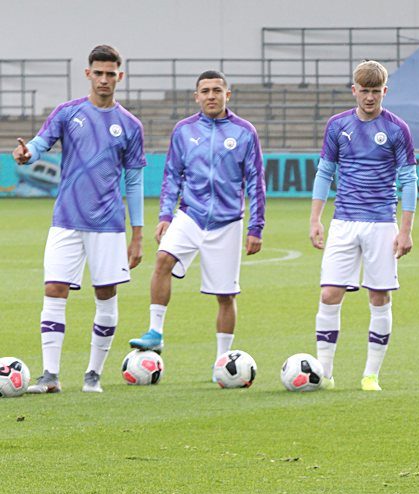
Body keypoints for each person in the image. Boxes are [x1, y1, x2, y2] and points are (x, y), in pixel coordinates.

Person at [12, 44, 146, 394]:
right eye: (98, 73)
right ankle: (50, 376)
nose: (104, 79)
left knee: (106, 294)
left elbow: (133, 181)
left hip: (109, 224)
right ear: (88, 74)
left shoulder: (130, 125)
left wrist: (138, 233)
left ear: (120, 75)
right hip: (67, 219)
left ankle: (93, 375)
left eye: (110, 73)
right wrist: (28, 154)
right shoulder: (67, 112)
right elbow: (41, 143)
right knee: (54, 290)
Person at [128, 70, 265, 377]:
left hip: (227, 221)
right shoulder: (184, 130)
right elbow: (172, 175)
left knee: (225, 295)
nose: (211, 95)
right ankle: (155, 332)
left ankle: (222, 361)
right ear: (197, 97)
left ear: (227, 95)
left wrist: (256, 228)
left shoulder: (244, 132)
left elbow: (256, 181)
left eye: (217, 90)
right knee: (162, 260)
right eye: (205, 91)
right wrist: (165, 215)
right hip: (190, 214)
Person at [309, 60, 417, 392]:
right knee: (329, 294)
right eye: (364, 91)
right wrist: (315, 219)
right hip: (343, 222)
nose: (369, 97)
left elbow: (409, 180)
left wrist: (406, 230)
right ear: (354, 90)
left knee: (380, 296)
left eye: (375, 91)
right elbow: (325, 172)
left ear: (385, 91)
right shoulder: (337, 125)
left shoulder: (397, 129)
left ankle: (371, 374)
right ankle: (324, 372)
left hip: (381, 224)